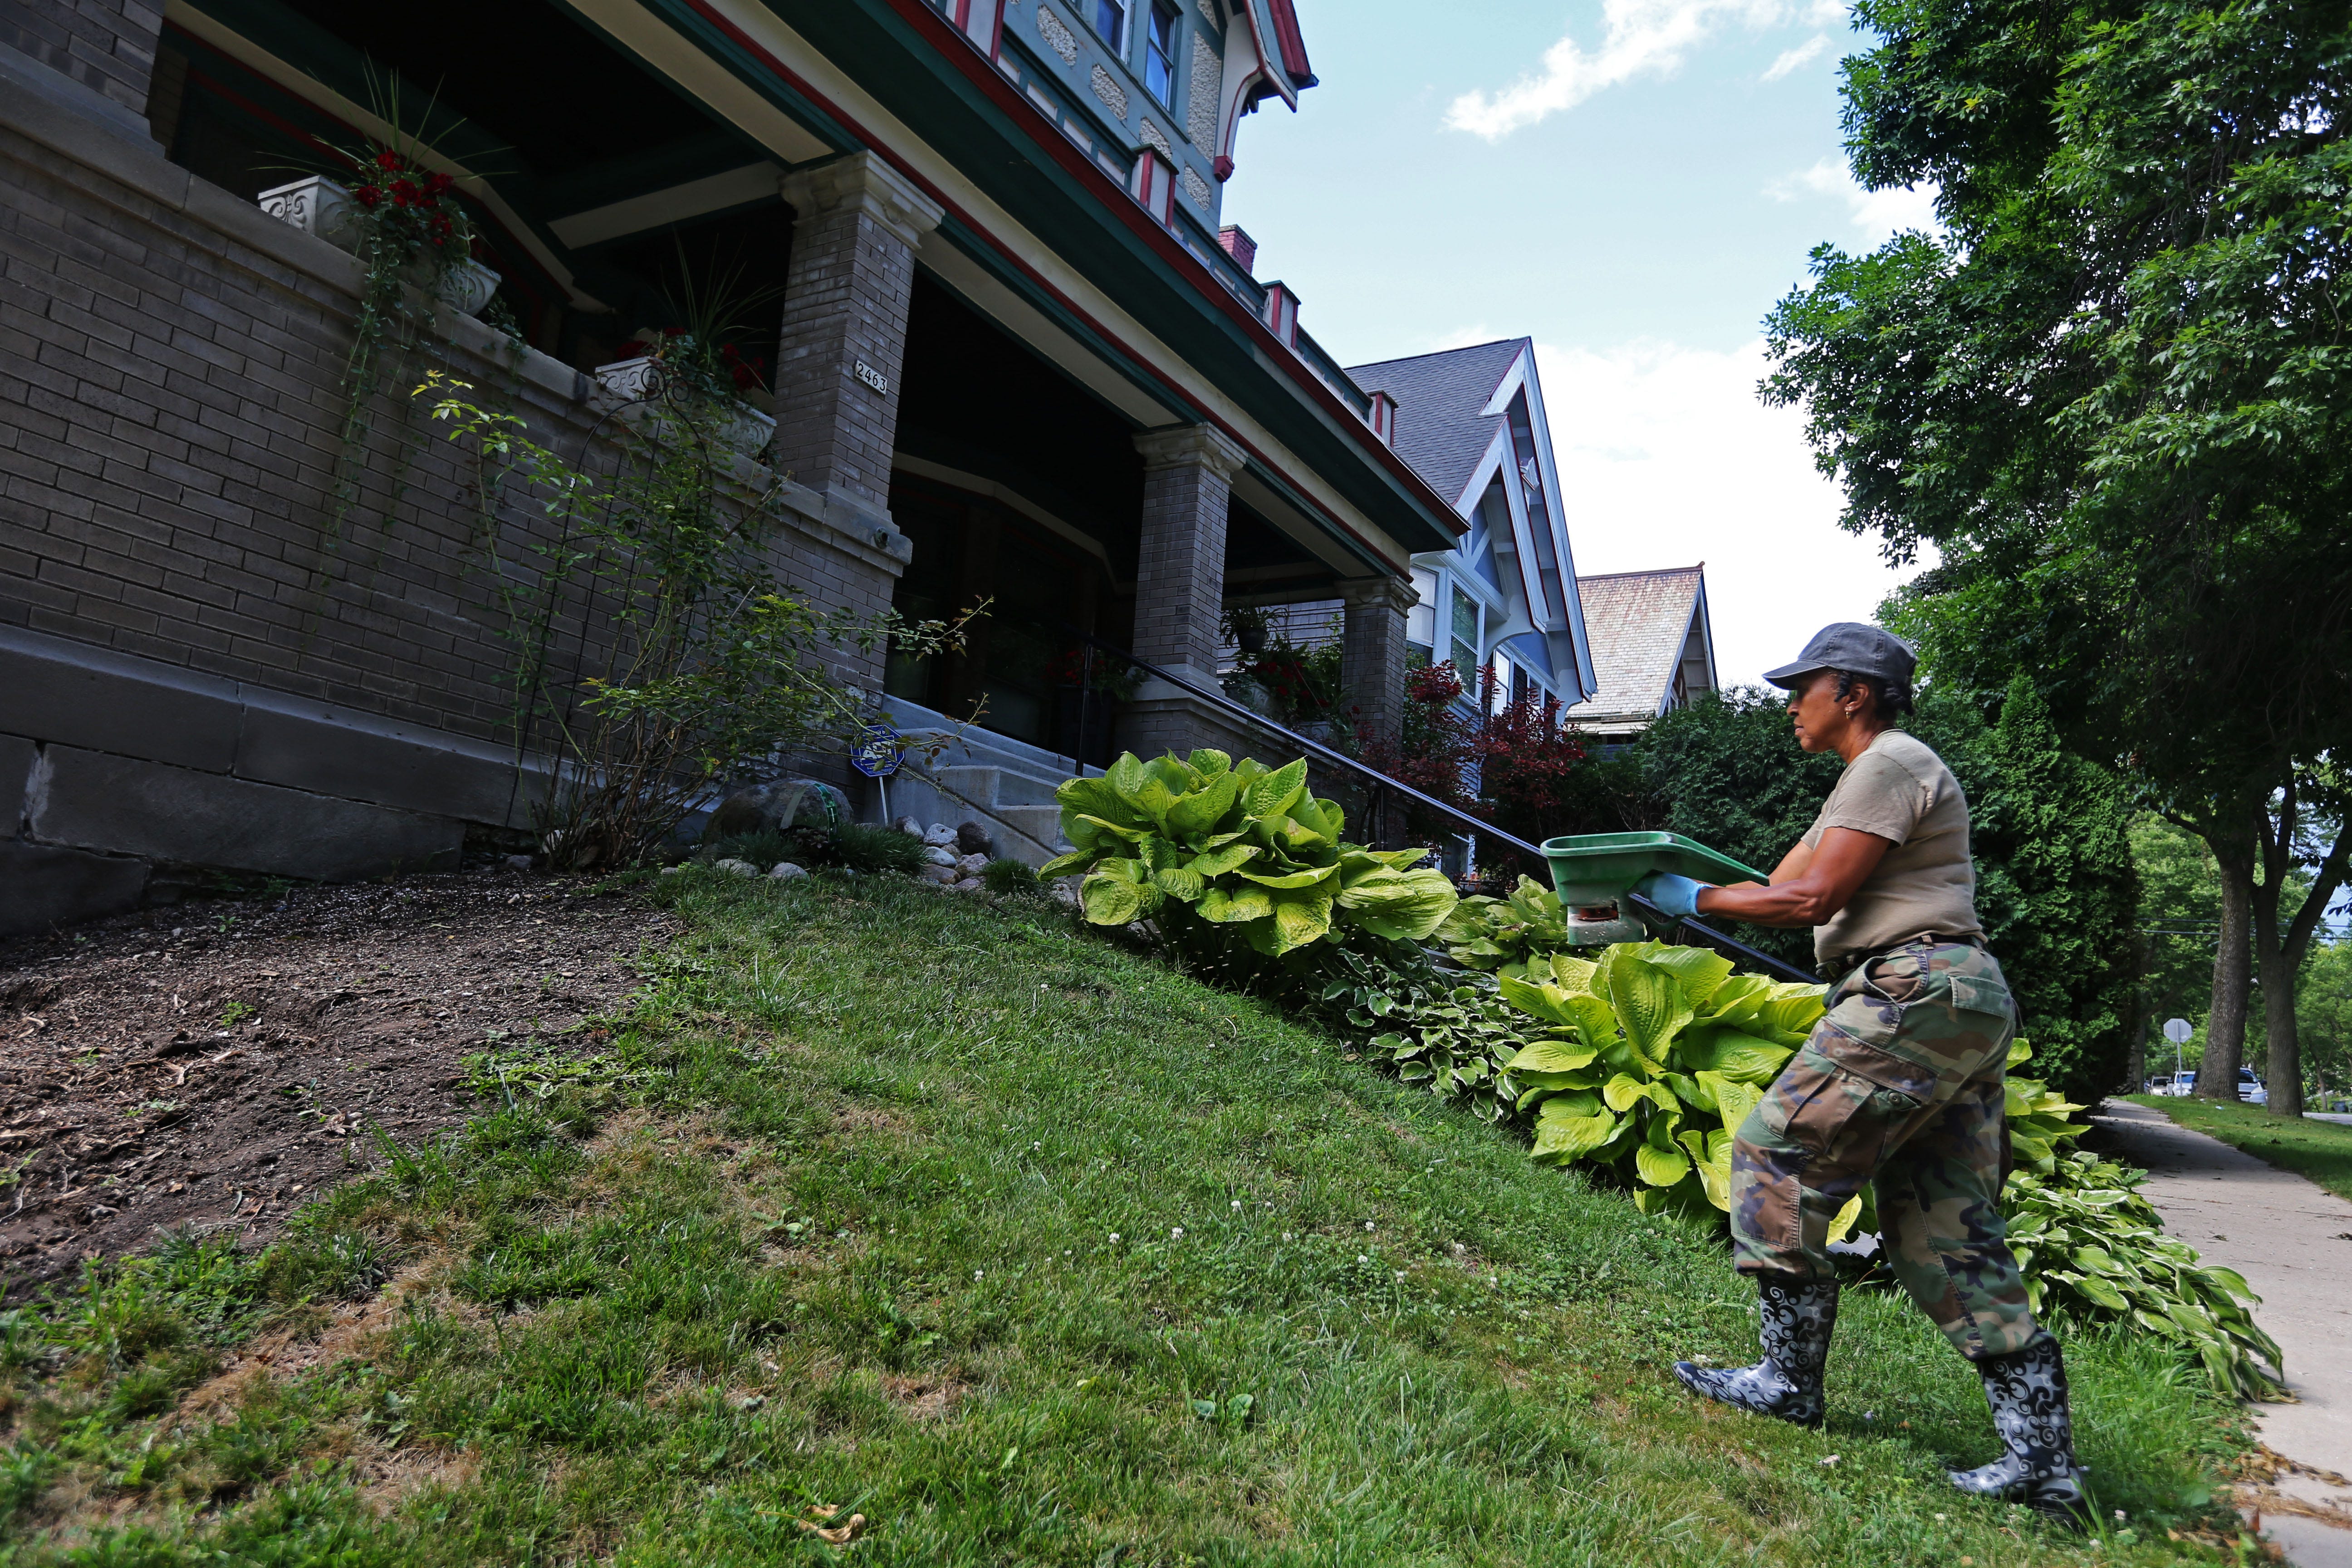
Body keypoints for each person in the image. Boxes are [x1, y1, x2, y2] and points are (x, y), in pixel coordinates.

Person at [1632, 623, 2085, 1520]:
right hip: (1961, 999)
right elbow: (1777, 877)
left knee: (1773, 1154)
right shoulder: (1863, 785)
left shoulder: (1891, 761)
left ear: (1857, 693)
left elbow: (1809, 899)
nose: (1789, 701)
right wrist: (1677, 880)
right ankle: (2045, 1465)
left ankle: (1785, 1383)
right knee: (1941, 1231)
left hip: (1914, 989)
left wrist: (1691, 900)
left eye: (1805, 685)